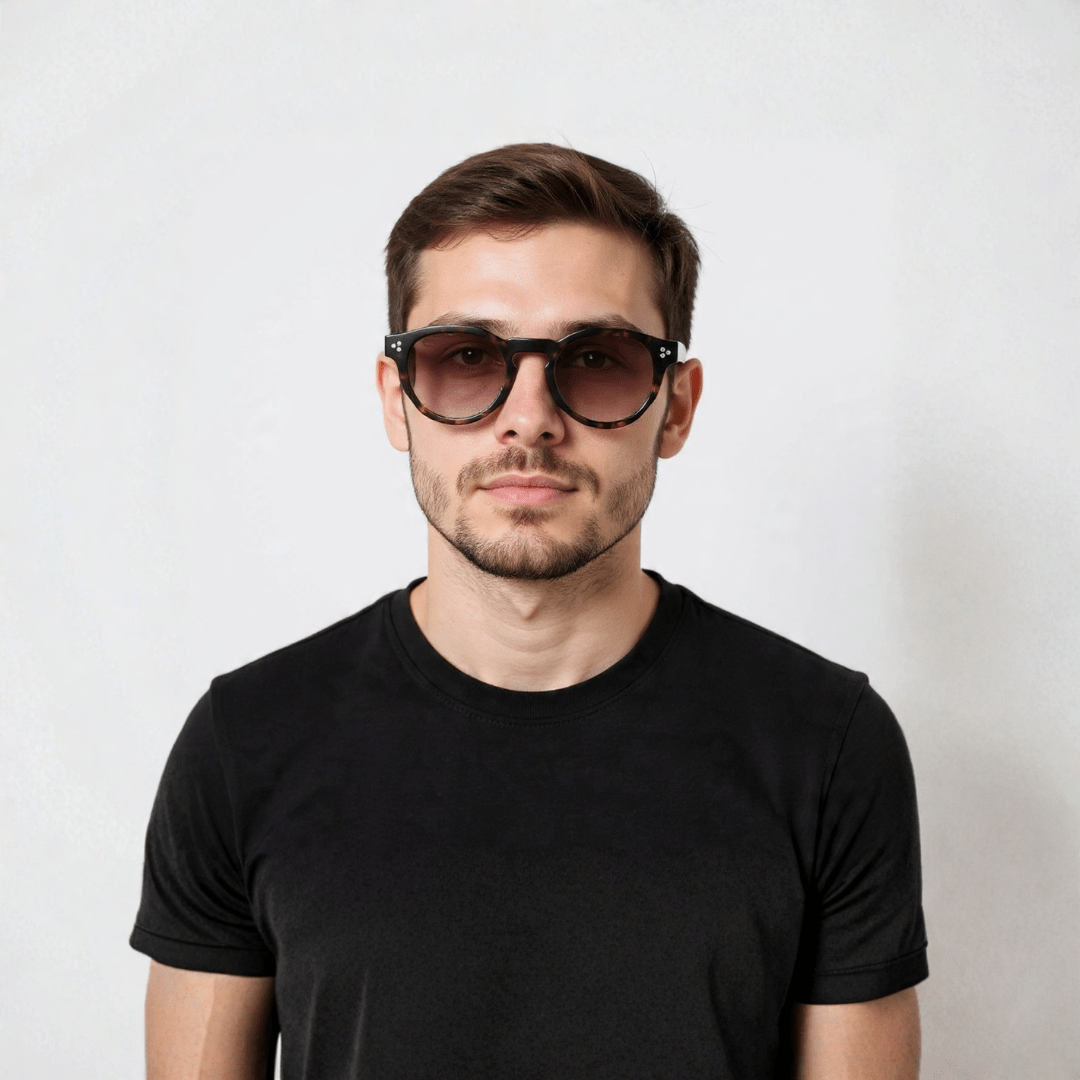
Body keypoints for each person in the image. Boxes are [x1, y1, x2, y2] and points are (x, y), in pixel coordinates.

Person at [131, 143, 928, 1080]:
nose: (529, 416)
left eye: (597, 360)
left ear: (675, 407)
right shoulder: (246, 742)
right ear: (397, 399)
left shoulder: (826, 745)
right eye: (467, 358)